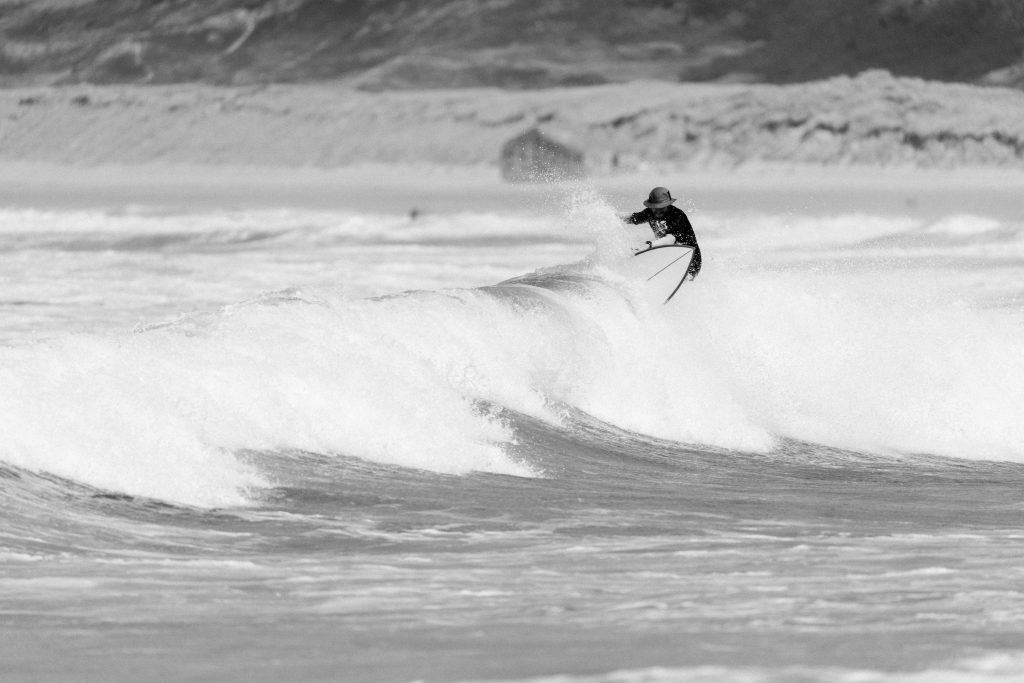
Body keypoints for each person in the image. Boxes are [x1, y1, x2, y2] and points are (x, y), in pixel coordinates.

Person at [624, 186, 701, 280]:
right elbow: (631, 218)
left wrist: (649, 245)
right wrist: (611, 215)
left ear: (668, 205)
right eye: (654, 207)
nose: (657, 211)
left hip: (690, 258)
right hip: (667, 256)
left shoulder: (677, 215)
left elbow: (670, 239)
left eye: (661, 208)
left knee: (682, 279)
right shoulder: (650, 212)